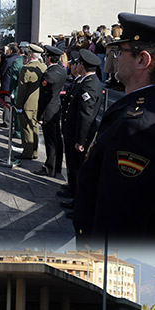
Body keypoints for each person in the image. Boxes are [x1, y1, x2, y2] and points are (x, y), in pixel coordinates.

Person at [75, 13, 155, 241]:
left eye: (121, 52)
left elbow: (120, 210)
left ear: (143, 60)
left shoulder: (135, 125)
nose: (116, 58)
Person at [59, 48, 103, 216]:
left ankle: (79, 206)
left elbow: (86, 116)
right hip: (73, 132)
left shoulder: (90, 85)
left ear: (83, 66)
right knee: (72, 166)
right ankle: (73, 193)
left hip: (80, 135)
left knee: (79, 172)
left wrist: (81, 141)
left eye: (78, 64)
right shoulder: (85, 81)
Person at [37, 47, 67, 176]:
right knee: (57, 139)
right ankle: (57, 165)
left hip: (48, 109)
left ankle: (50, 167)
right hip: (56, 106)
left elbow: (44, 97)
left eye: (46, 56)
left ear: (49, 58)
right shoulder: (61, 70)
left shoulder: (48, 74)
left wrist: (40, 114)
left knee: (50, 140)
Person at [15, 45, 46, 160]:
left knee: (27, 128)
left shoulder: (26, 68)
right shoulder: (43, 67)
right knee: (35, 127)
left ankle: (27, 152)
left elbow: (22, 90)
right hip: (38, 103)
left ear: (30, 54)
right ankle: (34, 151)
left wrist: (18, 104)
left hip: (28, 103)